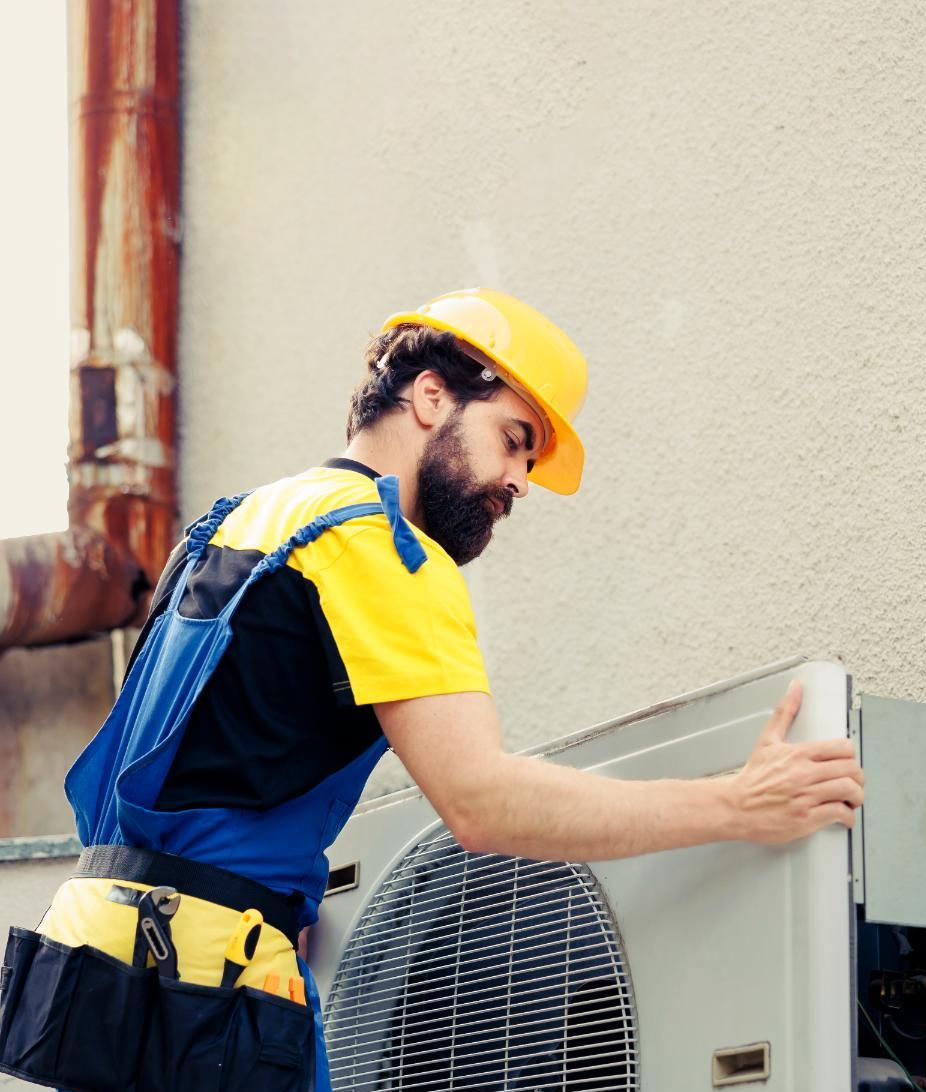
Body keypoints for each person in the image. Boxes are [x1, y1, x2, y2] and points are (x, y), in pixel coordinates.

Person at [0, 288, 863, 1092]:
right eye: (514, 438)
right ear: (430, 397)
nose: (520, 481)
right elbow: (481, 803)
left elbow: (199, 760)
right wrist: (737, 804)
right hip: (205, 988)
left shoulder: (236, 522)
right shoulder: (383, 545)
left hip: (89, 964)